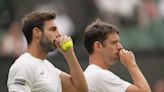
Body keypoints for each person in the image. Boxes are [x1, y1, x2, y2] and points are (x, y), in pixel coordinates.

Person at [7, 11, 88, 92]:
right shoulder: (23, 66)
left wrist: (69, 54)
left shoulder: (49, 67)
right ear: (37, 32)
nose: (59, 34)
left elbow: (80, 90)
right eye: (53, 30)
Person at [83, 19, 151, 92]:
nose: (120, 47)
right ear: (98, 46)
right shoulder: (99, 75)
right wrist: (131, 64)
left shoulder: (91, 74)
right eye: (114, 43)